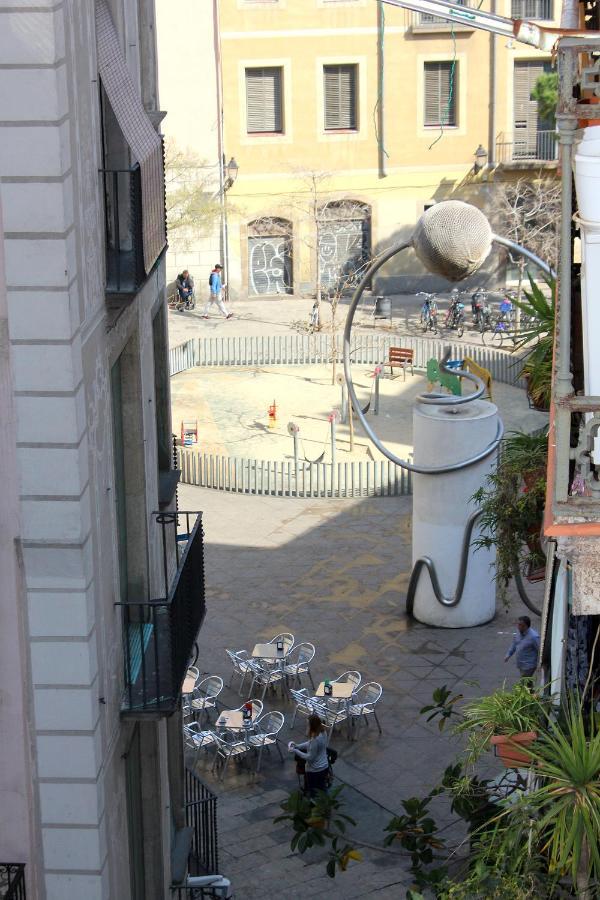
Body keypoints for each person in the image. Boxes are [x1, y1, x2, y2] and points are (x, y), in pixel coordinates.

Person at [289, 714, 329, 796]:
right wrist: (298, 746)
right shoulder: (323, 732)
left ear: (312, 725)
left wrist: (295, 750)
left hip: (315, 770)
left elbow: (310, 757)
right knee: (322, 789)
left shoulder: (315, 739)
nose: (306, 726)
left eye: (308, 724)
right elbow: (310, 744)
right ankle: (325, 805)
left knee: (314, 793)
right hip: (324, 766)